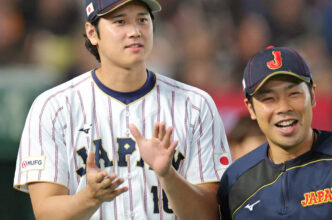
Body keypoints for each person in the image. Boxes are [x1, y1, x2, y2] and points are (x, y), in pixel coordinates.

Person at [13, 0, 231, 219]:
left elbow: (210, 214)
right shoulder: (53, 108)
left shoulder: (195, 105)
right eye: (120, 22)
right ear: (92, 33)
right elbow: (45, 214)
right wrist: (90, 197)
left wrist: (168, 175)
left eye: (142, 20)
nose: (135, 31)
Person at [217, 46, 332, 219]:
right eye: (269, 99)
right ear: (250, 108)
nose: (284, 107)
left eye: (294, 94)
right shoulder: (235, 181)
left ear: (313, 95)